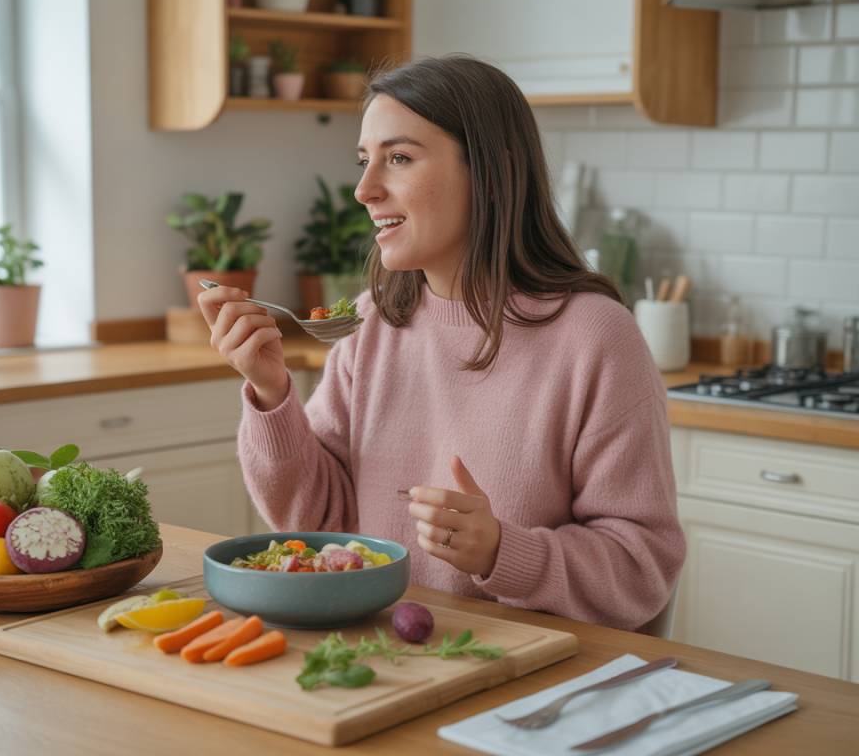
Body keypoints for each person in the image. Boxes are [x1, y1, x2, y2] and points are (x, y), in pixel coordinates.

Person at [198, 55, 685, 632]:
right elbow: (320, 520)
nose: (363, 189)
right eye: (364, 161)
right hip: (387, 656)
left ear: (490, 170)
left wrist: (503, 552)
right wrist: (271, 390)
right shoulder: (372, 323)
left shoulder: (595, 337)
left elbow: (641, 568)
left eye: (398, 158)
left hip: (531, 675)